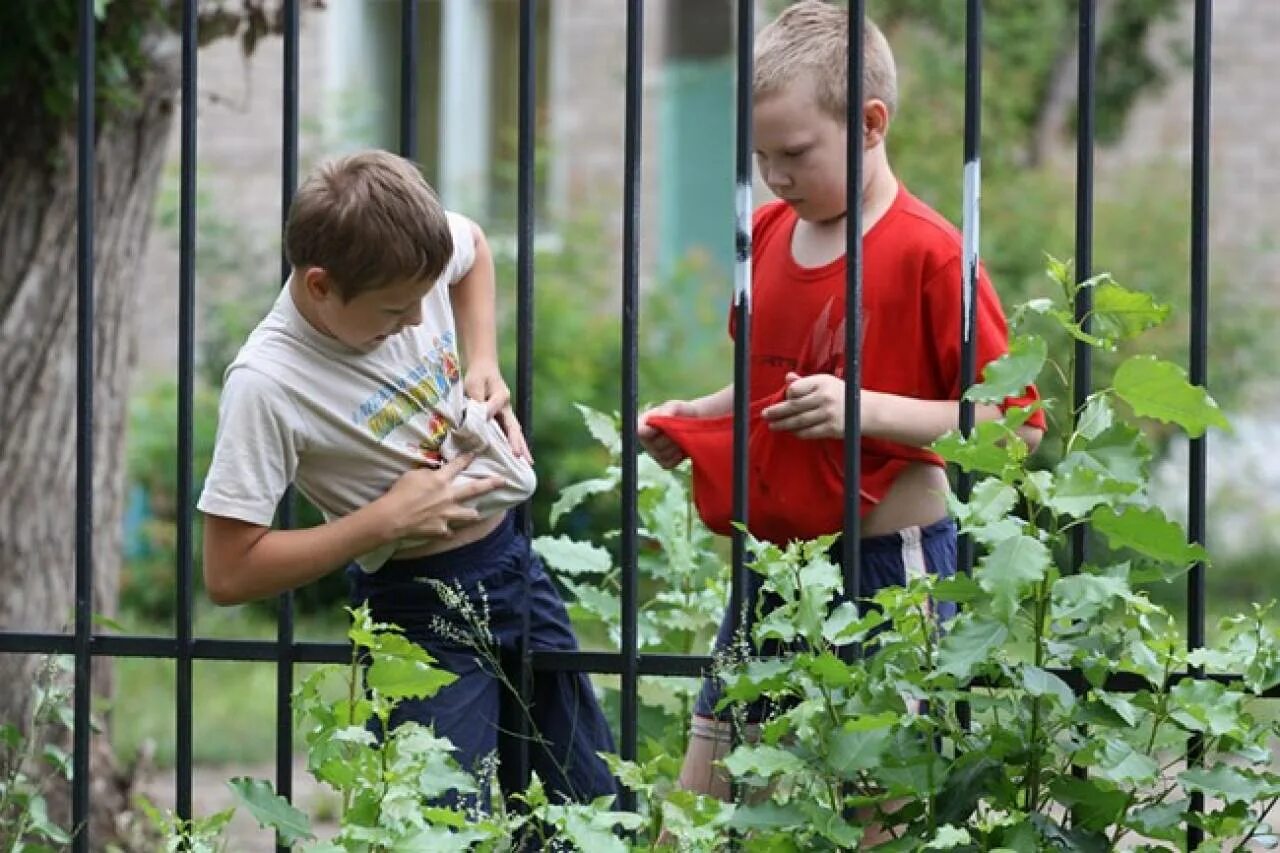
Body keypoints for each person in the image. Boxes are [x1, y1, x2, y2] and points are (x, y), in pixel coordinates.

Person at [638, 0, 1046, 811]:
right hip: (775, 567)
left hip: (890, 568)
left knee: (875, 808)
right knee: (704, 803)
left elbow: (1019, 426)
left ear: (869, 123)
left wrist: (865, 411)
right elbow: (767, 387)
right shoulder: (762, 233)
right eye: (760, 156)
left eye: (793, 152)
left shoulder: (933, 253)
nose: (776, 176)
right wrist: (699, 415)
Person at [197, 150, 616, 806]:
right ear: (319, 286)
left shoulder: (404, 257)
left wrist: (484, 357)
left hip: (513, 563)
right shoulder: (267, 384)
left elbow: (471, 245)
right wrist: (382, 523)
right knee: (445, 821)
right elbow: (228, 572)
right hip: (416, 608)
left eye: (424, 298)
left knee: (589, 802)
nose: (419, 321)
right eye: (396, 310)